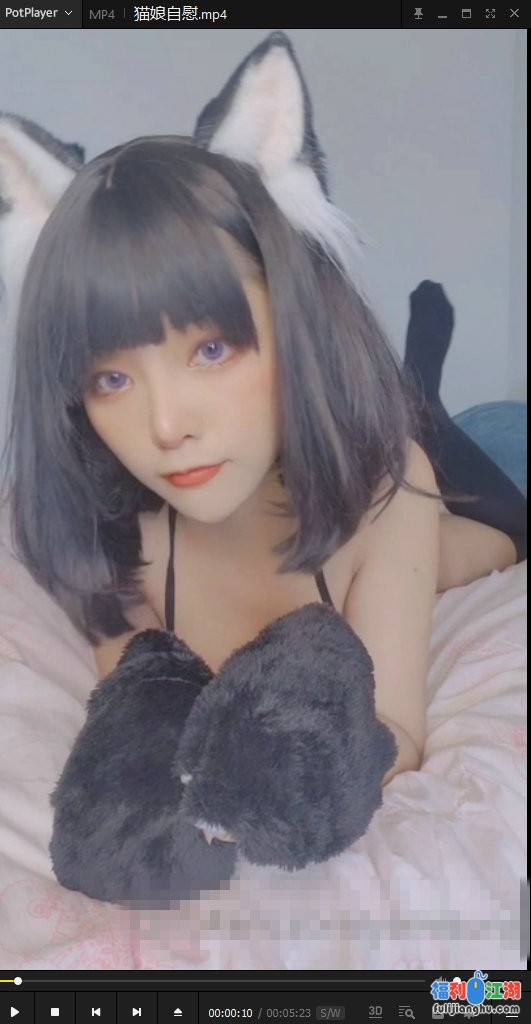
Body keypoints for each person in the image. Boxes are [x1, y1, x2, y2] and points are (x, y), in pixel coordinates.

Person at [0, 34, 525, 851]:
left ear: (293, 316)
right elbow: (133, 706)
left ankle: (419, 382)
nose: (165, 426)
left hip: (426, 494)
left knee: (480, 498)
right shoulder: (114, 539)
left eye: (211, 349)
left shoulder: (383, 499)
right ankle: (414, 383)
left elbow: (395, 732)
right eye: (112, 379)